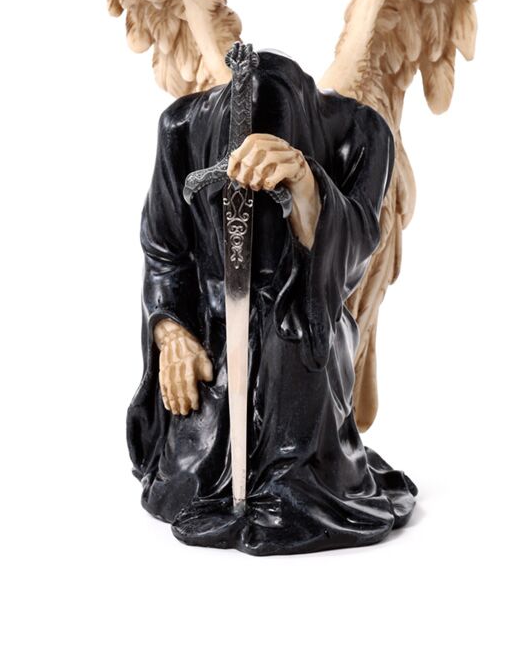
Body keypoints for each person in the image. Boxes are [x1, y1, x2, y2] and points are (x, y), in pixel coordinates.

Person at [126, 50, 417, 555]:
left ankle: (293, 483)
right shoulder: (181, 129)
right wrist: (172, 334)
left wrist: (306, 187)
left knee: (296, 376)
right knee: (190, 468)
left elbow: (354, 258)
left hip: (307, 314)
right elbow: (164, 251)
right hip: (214, 327)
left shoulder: (362, 133)